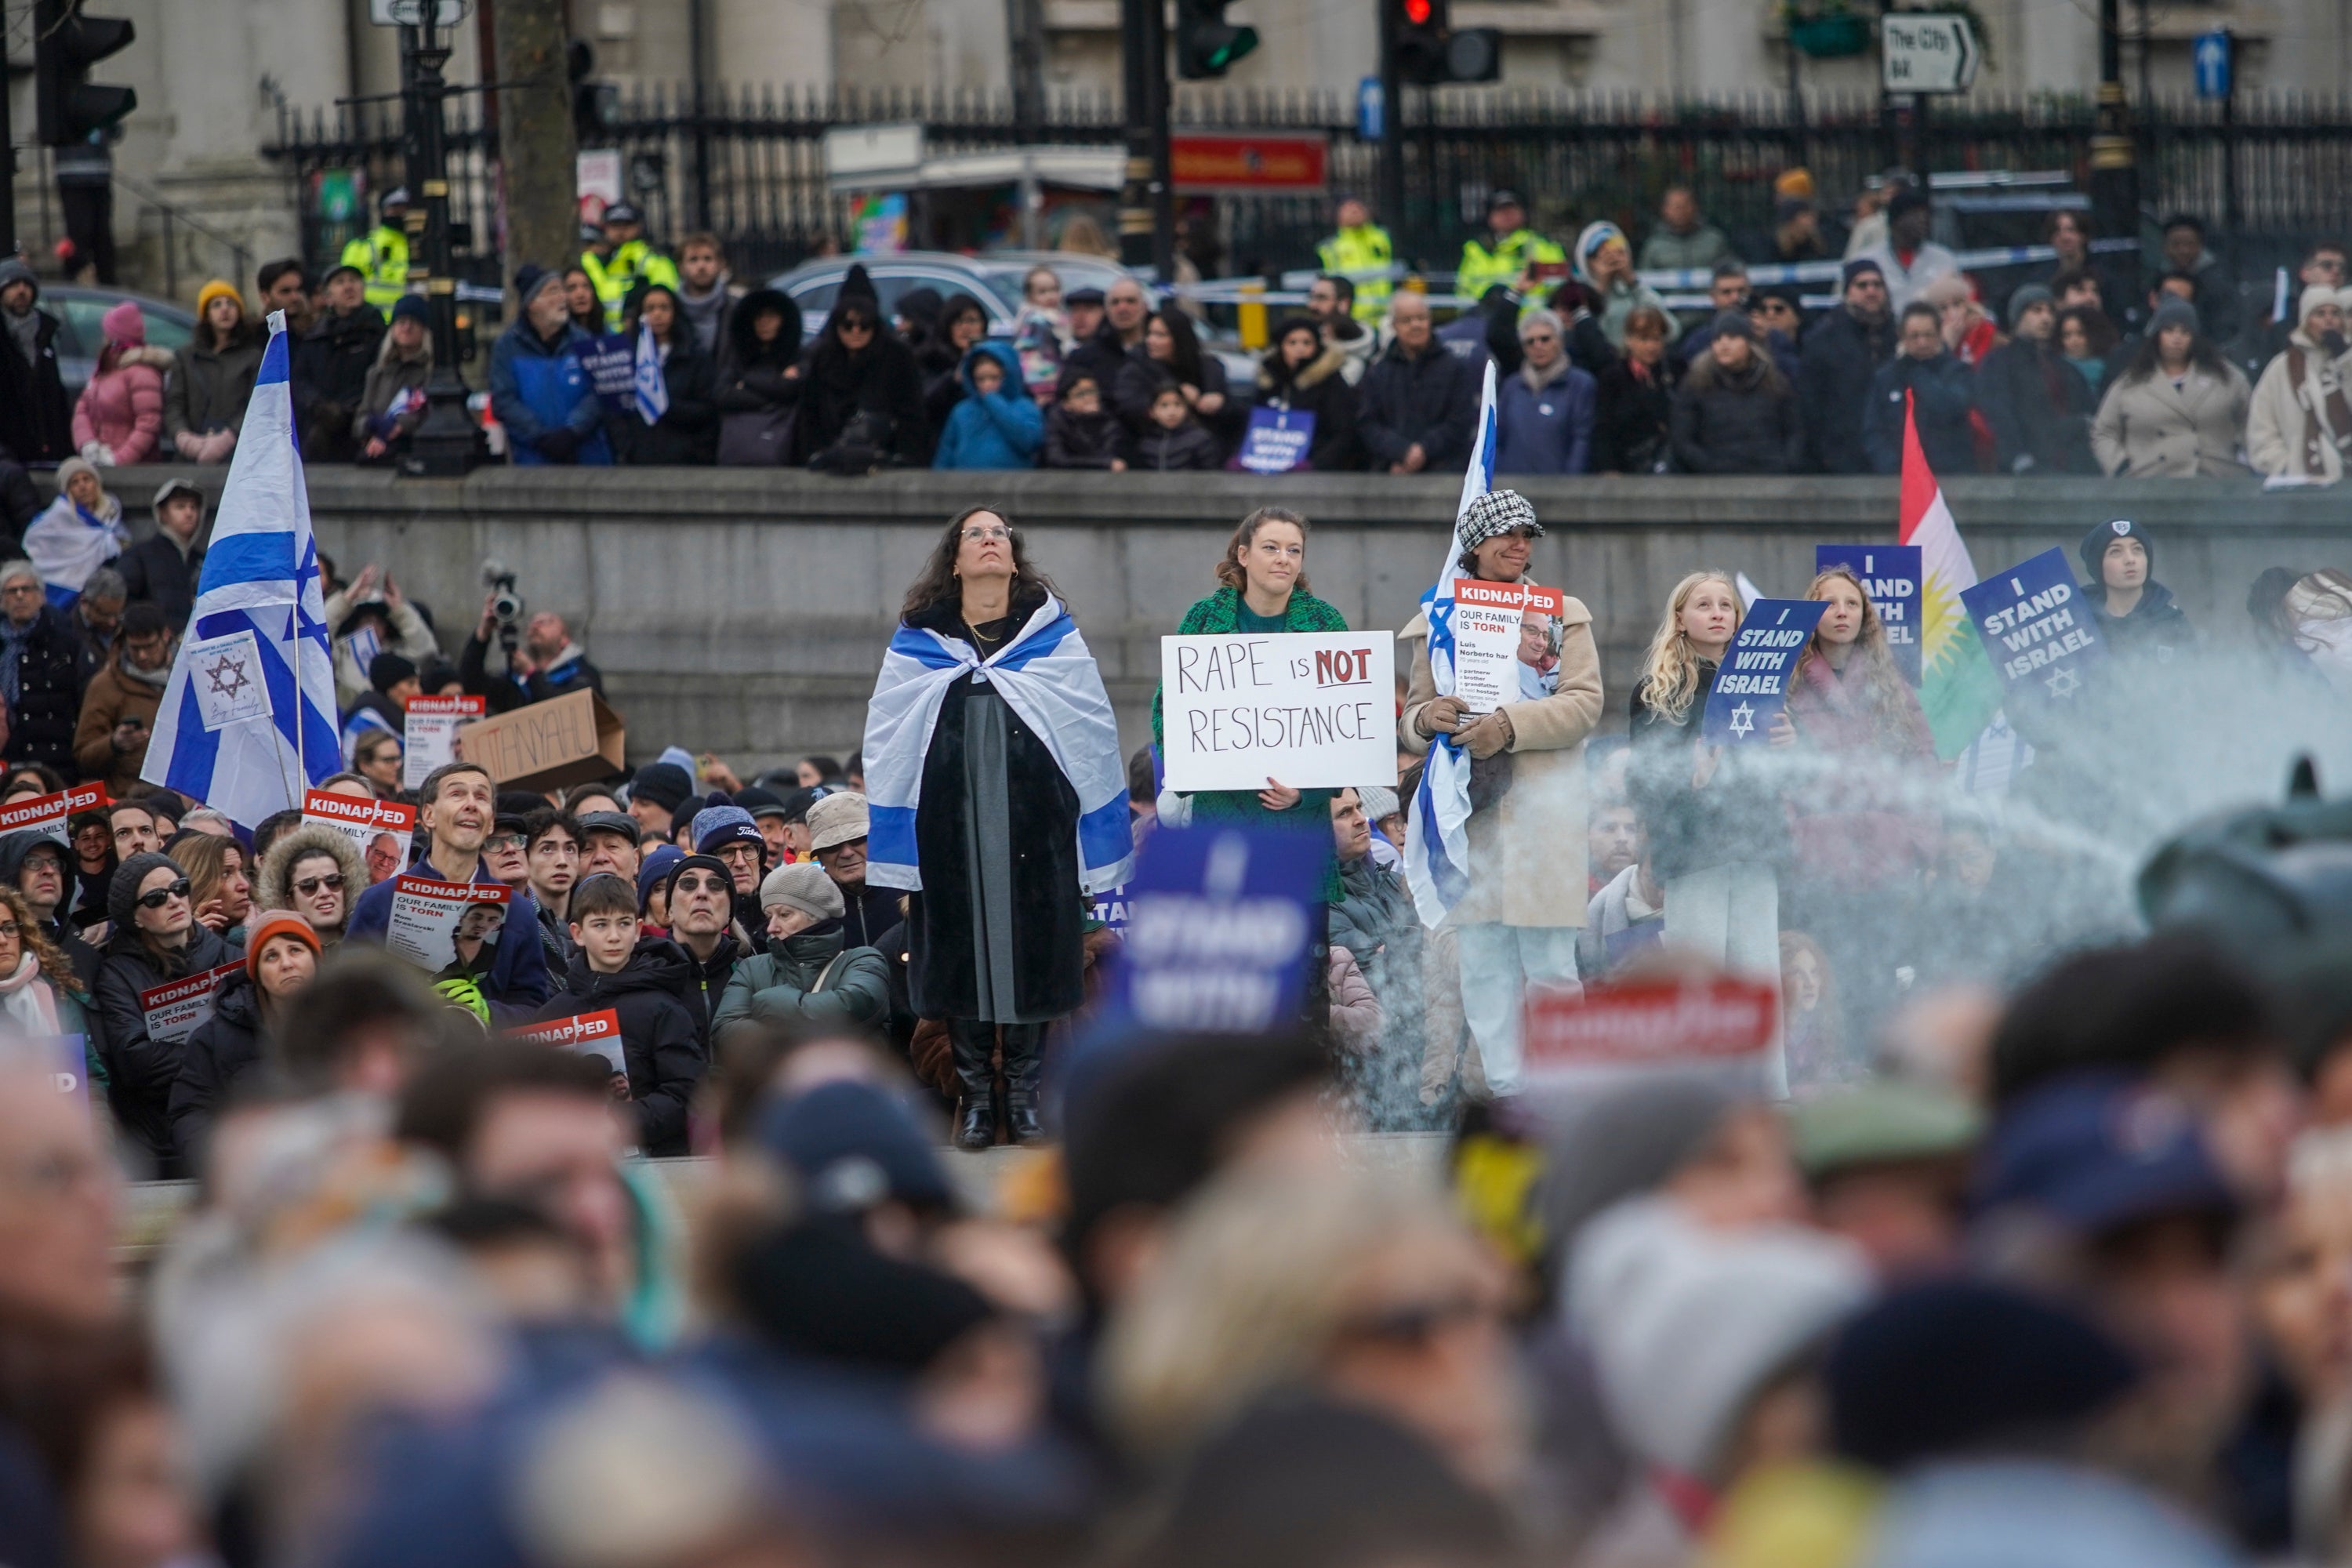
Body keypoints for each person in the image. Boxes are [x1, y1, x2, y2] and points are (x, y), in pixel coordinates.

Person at [866, 507, 1127, 1149]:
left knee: (1034, 955)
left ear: (1015, 556)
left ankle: (1026, 1097)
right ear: (953, 560)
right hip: (948, 829)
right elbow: (891, 738)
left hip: (1036, 830)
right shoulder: (918, 643)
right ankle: (979, 1099)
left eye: (999, 534)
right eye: (974, 534)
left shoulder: (1054, 639)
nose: (989, 540)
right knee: (962, 959)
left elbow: (1089, 737)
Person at [1400, 490, 1601, 1096]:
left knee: (1551, 968)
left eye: (1527, 535)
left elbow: (1585, 704)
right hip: (1472, 818)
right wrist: (1430, 717)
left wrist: (1509, 726)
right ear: (1476, 544)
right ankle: (1509, 1091)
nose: (1520, 545)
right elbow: (1410, 716)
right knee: (1483, 965)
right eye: (1507, 534)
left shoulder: (1561, 613)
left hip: (1544, 817)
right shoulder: (1438, 617)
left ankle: (1565, 1089)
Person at [1784, 565, 1939, 1050]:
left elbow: (1923, 772)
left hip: (1884, 858)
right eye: (1830, 603)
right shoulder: (1787, 687)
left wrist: (1919, 841)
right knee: (1823, 972)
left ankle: (1877, 1069)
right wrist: (1795, 838)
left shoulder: (1895, 688)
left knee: (1880, 970)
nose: (1842, 612)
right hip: (1819, 860)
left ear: (1867, 616)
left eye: (1852, 603)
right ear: (1812, 613)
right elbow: (1776, 776)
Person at [1629, 572, 1791, 1021]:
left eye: (1726, 605)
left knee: (1759, 972)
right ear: (1680, 619)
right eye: (1704, 605)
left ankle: (1767, 1086)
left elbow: (1790, 776)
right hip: (1694, 850)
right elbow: (1642, 779)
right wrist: (1690, 777)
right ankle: (1700, 1086)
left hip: (1756, 844)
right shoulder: (1655, 692)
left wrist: (1790, 742)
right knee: (1699, 975)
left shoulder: (1765, 682)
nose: (1718, 612)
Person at [348, 761, 554, 1019]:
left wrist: (488, 1013)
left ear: (490, 823)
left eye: (481, 797)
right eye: (457, 794)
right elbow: (348, 995)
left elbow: (533, 1006)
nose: (471, 804)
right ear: (428, 816)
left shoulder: (518, 911)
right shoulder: (379, 901)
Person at [532, 871, 702, 1156]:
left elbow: (686, 1092)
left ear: (637, 930)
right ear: (578, 933)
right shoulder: (553, 1013)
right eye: (600, 925)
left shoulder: (664, 1008)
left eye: (623, 924)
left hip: (654, 1163)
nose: (613, 937)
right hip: (572, 1159)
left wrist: (621, 1121)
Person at [92, 851, 235, 1174]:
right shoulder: (118, 974)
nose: (173, 901)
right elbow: (136, 1060)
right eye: (156, 897)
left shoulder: (232, 957)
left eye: (179, 888)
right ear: (136, 917)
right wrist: (219, 1056)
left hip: (234, 1128)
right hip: (161, 1140)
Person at [165, 910, 320, 1167]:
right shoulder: (215, 1037)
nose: (286, 963)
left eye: (296, 950)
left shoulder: (348, 1028)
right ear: (256, 973)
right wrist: (225, 1161)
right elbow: (190, 1114)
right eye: (271, 956)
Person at [710, 862, 890, 1043]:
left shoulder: (863, 960)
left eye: (785, 914)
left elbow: (853, 1006)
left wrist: (770, 1003)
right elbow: (725, 1033)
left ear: (816, 916)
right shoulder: (752, 967)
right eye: (769, 916)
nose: (771, 928)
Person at [2091, 299, 2253, 477]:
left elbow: (2252, 424)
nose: (2177, 339)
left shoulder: (2227, 378)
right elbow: (2103, 432)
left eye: (2185, 332)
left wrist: (2250, 462)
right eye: (2169, 330)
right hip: (2149, 484)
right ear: (2156, 335)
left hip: (2218, 482)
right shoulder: (2130, 383)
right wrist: (2120, 466)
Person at [790, 266, 929, 471]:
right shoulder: (822, 357)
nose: (856, 331)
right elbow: (811, 415)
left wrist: (902, 458)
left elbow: (912, 415)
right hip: (830, 461)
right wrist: (816, 455)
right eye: (848, 325)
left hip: (885, 461)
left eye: (864, 324)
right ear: (836, 325)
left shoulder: (898, 356)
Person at [489, 264, 612, 467]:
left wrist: (572, 431)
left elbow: (599, 392)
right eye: (553, 291)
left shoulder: (585, 341)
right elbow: (504, 399)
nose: (563, 297)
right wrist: (540, 436)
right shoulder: (507, 347)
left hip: (587, 458)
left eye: (562, 290)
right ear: (532, 304)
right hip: (533, 460)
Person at [1976, 284, 2100, 476]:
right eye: (2036, 310)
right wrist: (2017, 457)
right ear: (2017, 317)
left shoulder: (2065, 368)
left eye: (2051, 311)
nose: (2046, 318)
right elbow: (1998, 414)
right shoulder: (1999, 363)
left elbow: (2089, 413)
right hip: (2026, 471)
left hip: (2075, 469)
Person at [1671, 312, 1805, 474]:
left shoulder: (1775, 383)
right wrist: (1709, 466)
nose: (1724, 345)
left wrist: (1786, 464)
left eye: (1732, 338)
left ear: (1749, 343)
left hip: (1770, 476)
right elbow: (1682, 438)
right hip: (1716, 480)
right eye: (1718, 339)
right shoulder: (1696, 384)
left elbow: (1795, 430)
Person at [1359, 292, 1476, 476]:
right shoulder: (1378, 372)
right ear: (1394, 326)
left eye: (1421, 318)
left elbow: (1460, 421)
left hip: (1446, 474)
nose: (1416, 325)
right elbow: (1368, 424)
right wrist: (1400, 451)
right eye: (1407, 320)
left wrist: (1423, 450)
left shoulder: (1455, 368)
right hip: (1391, 474)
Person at [1798, 258, 1896, 474]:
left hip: (1891, 452)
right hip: (1843, 454)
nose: (1871, 291)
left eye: (1877, 285)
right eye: (1862, 285)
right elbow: (1810, 403)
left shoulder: (1899, 333)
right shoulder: (1823, 338)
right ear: (1847, 291)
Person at [2247, 285, 2352, 483]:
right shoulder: (2281, 367)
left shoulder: (2349, 361)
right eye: (2320, 313)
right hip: (2301, 482)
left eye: (2335, 313)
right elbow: (2261, 427)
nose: (2329, 319)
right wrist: (2285, 466)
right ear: (2306, 320)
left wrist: (2345, 360)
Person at [607, 281, 717, 466]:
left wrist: (664, 406)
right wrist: (626, 450)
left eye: (664, 308)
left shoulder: (694, 356)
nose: (657, 314)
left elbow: (707, 409)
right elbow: (615, 412)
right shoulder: (626, 358)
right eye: (650, 308)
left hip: (685, 460)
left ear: (675, 312)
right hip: (638, 460)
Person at [1867, 302, 1979, 475]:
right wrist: (1892, 467)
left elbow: (1951, 407)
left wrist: (1917, 372)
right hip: (1900, 478)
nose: (1922, 342)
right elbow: (1874, 431)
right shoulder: (1886, 377)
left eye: (1929, 335)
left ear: (1939, 334)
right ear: (1902, 336)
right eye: (1915, 336)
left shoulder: (1957, 372)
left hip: (1949, 476)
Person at [71, 601, 170, 796]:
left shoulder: (187, 677)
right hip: (127, 798)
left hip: (184, 797)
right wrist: (114, 744)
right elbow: (82, 755)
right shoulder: (105, 685)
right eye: (135, 648)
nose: (142, 655)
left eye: (149, 646)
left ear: (166, 636)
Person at [0, 560, 89, 774]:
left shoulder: (66, 642)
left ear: (41, 596)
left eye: (27, 589)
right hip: (8, 760)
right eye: (12, 591)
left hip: (56, 763)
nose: (20, 596)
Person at [291, 262, 387, 463]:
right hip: (319, 435)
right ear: (328, 296)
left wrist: (347, 409)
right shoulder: (316, 337)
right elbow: (299, 379)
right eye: (340, 282)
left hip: (359, 433)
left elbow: (380, 378)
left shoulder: (376, 333)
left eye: (353, 281)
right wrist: (317, 406)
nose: (348, 287)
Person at [1115, 308, 1240, 457]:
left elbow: (1236, 415)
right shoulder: (1136, 369)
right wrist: (1174, 399)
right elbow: (1128, 408)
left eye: (1160, 335)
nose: (1151, 340)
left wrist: (1220, 404)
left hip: (1207, 451)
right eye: (1149, 334)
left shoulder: (1209, 367)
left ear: (1179, 337)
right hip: (1156, 452)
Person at [163, 281, 262, 465]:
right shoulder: (186, 357)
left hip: (239, 457)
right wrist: (184, 438)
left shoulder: (252, 357)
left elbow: (255, 405)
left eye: (230, 304)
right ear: (206, 315)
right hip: (191, 457)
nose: (225, 310)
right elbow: (173, 405)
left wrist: (229, 437)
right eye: (216, 305)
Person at [2078, 518, 2197, 665]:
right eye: (2115, 551)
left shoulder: (2173, 623)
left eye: (2138, 550)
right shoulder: (2078, 624)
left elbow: (2194, 682)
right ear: (2097, 565)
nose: (2130, 560)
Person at [1252, 315, 1359, 472]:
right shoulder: (1269, 383)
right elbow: (1255, 425)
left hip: (1318, 469)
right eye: (1292, 343)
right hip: (1269, 465)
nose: (1300, 348)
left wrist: (1314, 465)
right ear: (1281, 347)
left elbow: (1344, 433)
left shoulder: (1331, 382)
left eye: (1307, 343)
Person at [70, 299, 169, 468]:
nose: (103, 337)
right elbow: (82, 408)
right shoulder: (105, 369)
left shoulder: (143, 373)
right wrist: (87, 444)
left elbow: (148, 423)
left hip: (133, 471)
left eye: (107, 332)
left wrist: (118, 460)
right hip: (98, 463)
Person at [1495, 307, 1595, 474]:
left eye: (1545, 339)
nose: (1538, 346)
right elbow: (1498, 438)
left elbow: (1582, 440)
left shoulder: (1581, 384)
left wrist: (1571, 484)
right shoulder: (1511, 386)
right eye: (1530, 341)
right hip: (1513, 488)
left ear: (1560, 340)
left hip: (1559, 489)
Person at [712, 288, 801, 467]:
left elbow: (792, 390)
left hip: (783, 453)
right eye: (758, 316)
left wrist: (745, 383)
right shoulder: (737, 358)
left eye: (771, 316)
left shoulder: (798, 357)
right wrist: (773, 397)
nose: (764, 322)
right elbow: (721, 394)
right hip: (737, 453)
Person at [804, 791, 899, 952]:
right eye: (832, 846)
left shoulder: (911, 894)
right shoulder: (809, 910)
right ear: (818, 856)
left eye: (857, 840)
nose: (847, 853)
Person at [24, 459, 127, 606]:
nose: (82, 486)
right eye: (74, 482)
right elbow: (35, 545)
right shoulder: (54, 519)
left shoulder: (111, 516)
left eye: (87, 479)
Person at [1591, 306, 1679, 475]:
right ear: (1629, 340)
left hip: (1667, 465)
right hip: (1625, 464)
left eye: (1657, 339)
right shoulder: (1612, 378)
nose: (1651, 346)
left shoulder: (1676, 371)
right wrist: (1609, 468)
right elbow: (1603, 428)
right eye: (1644, 339)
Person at [0, 256, 71, 466]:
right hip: (8, 455)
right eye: (13, 285)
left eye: (26, 285)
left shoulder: (46, 332)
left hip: (49, 451)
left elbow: (56, 397)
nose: (21, 291)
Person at [931, 343, 1043, 470]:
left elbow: (1029, 442)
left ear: (1009, 375)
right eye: (980, 379)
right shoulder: (962, 411)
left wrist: (995, 404)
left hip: (1013, 486)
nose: (987, 385)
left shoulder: (1025, 407)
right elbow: (946, 452)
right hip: (965, 486)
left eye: (994, 378)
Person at [253, 822, 365, 948]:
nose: (324, 893)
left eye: (333, 881)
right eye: (308, 886)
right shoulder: (281, 960)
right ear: (290, 902)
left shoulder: (377, 946)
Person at [352, 294, 433, 464]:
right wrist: (372, 427)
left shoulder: (430, 372)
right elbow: (360, 420)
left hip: (410, 453)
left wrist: (397, 426)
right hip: (374, 452)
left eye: (414, 322)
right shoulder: (377, 373)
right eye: (401, 322)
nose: (407, 327)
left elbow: (426, 413)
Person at [116, 480, 205, 630]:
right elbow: (121, 600)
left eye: (193, 507)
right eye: (180, 506)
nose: (189, 513)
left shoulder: (203, 560)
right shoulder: (141, 555)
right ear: (163, 513)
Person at [1572, 221, 1678, 347]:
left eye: (1618, 252)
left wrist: (1632, 282)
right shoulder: (1576, 294)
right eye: (1601, 254)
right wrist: (1600, 290)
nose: (1611, 259)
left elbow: (1672, 331)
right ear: (1587, 260)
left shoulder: (1636, 291)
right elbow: (1584, 339)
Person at [579, 202, 680, 333]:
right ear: (605, 228)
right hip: (601, 337)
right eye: (615, 225)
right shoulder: (593, 261)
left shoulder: (655, 261)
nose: (621, 231)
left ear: (638, 227)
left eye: (627, 225)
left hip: (643, 335)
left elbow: (665, 300)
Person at [1856, 186, 1960, 310]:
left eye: (1925, 215)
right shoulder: (1867, 261)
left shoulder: (1944, 259)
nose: (1922, 219)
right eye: (1915, 214)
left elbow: (1958, 304)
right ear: (1895, 220)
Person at [1457, 188, 1565, 303]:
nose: (1507, 215)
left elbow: (1559, 286)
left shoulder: (1543, 246)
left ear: (1523, 213)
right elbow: (1464, 289)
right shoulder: (1476, 250)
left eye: (1512, 209)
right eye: (1500, 210)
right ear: (1490, 217)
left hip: (1532, 319)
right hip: (1487, 318)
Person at [2158, 212, 2241, 345]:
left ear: (2200, 245)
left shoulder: (2218, 282)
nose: (2184, 250)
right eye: (2176, 244)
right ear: (2165, 247)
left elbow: (2226, 326)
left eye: (2190, 244)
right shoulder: (2159, 278)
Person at [1316, 196, 1394, 328]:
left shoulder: (1383, 238)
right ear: (1338, 215)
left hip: (1386, 314)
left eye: (1358, 207)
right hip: (1352, 316)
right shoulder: (1330, 247)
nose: (1354, 212)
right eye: (1348, 209)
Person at [919, 292, 990, 433]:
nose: (965, 328)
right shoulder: (930, 358)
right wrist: (953, 379)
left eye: (972, 321)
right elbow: (924, 402)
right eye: (958, 322)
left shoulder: (993, 358)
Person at [339, 187, 410, 314]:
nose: (401, 212)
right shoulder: (360, 247)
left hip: (410, 325)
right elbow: (345, 291)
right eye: (394, 207)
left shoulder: (419, 246)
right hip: (372, 325)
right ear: (383, 210)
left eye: (404, 207)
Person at [1639, 185, 1737, 274]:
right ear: (1665, 210)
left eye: (1685, 205)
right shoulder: (1654, 246)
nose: (1680, 211)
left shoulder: (1715, 240)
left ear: (1695, 207)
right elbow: (1645, 281)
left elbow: (1731, 273)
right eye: (1675, 207)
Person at [1042, 369, 1127, 470]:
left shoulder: (1109, 419)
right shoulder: (1057, 421)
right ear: (1066, 404)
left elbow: (1110, 455)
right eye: (1080, 394)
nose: (1088, 398)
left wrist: (1092, 421)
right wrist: (1103, 464)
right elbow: (1057, 459)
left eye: (1092, 391)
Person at [673, 231, 740, 356]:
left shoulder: (737, 308)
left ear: (721, 264)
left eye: (708, 259)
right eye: (693, 260)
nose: (701, 266)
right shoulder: (671, 310)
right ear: (681, 267)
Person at [1307, 274, 1378, 385]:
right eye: (1311, 297)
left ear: (1344, 303)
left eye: (1322, 298)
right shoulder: (1306, 339)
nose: (1312, 305)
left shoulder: (1375, 352)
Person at [1134, 386, 1222, 471]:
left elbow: (1211, 474)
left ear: (1186, 408)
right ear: (1152, 412)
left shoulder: (1201, 439)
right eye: (1164, 405)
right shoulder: (1145, 443)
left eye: (1178, 404)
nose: (1172, 412)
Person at [2058, 303, 2123, 403]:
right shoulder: (2055, 368)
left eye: (2080, 333)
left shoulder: (2110, 367)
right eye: (2067, 335)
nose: (2074, 340)